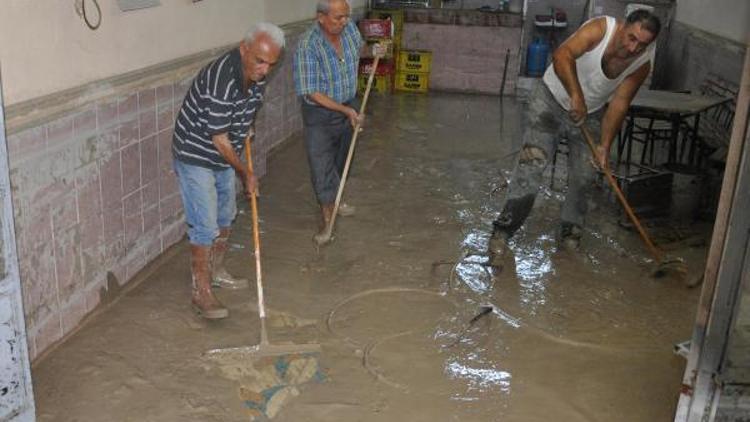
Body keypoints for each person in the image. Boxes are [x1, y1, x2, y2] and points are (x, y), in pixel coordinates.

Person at [488, 9, 661, 267]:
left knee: (585, 176)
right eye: (631, 38)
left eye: (642, 44)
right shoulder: (600, 29)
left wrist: (604, 146)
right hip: (549, 101)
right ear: (624, 27)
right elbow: (562, 55)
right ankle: (502, 233)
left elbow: (619, 105)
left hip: (590, 114)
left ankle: (570, 237)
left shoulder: (641, 64)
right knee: (532, 167)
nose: (633, 47)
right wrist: (576, 96)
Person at [172, 23, 284, 319]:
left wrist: (248, 127)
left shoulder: (257, 76)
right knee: (205, 223)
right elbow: (218, 138)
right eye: (260, 61)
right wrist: (246, 172)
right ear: (243, 48)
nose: (265, 70)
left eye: (271, 64)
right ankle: (201, 290)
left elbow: (248, 112)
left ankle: (217, 270)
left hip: (223, 152)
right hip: (196, 153)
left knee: (226, 215)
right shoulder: (222, 78)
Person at [293, 0, 384, 243]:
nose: (344, 22)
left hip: (349, 104)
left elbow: (360, 49)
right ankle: (328, 221)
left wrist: (373, 51)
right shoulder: (307, 45)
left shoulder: (350, 30)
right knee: (321, 165)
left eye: (346, 16)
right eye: (338, 18)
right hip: (319, 114)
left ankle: (337, 197)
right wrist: (345, 111)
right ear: (320, 17)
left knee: (343, 159)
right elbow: (311, 91)